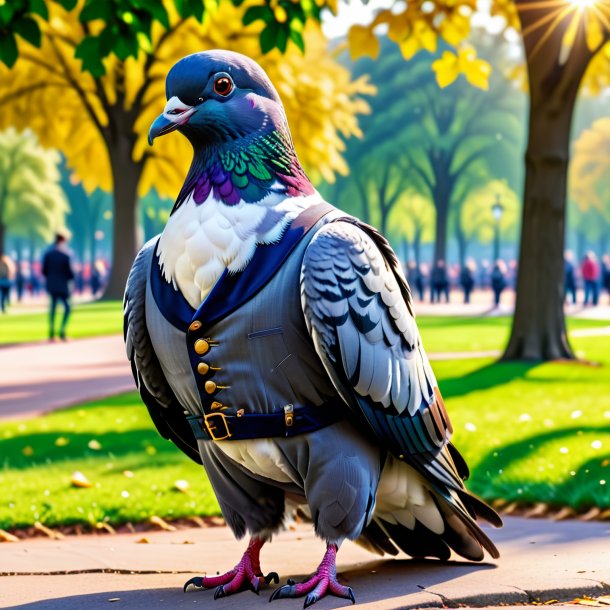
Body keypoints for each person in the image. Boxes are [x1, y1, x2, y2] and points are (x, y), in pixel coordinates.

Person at [42, 233, 75, 340]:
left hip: (51, 285)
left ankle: (51, 331)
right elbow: (70, 273)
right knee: (67, 308)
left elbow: (44, 271)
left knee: (53, 307)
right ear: (63, 241)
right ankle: (62, 330)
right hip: (63, 285)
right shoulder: (66, 255)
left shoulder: (48, 254)